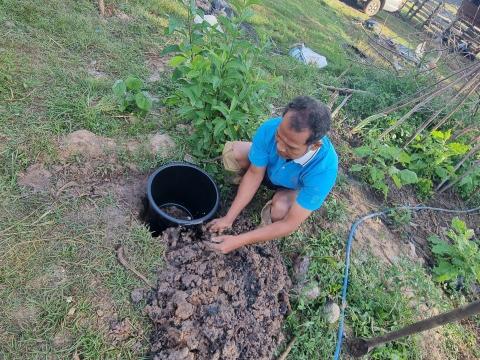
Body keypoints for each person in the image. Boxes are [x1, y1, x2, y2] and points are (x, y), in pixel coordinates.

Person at [206, 96, 338, 254]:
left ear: (314, 146)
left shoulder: (324, 169)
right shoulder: (270, 128)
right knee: (234, 153)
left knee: (282, 209)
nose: (280, 148)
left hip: (290, 186)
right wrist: (228, 219)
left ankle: (262, 234)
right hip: (267, 170)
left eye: (291, 147)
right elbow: (255, 174)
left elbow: (290, 224)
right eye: (279, 137)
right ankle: (239, 191)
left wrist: (237, 241)